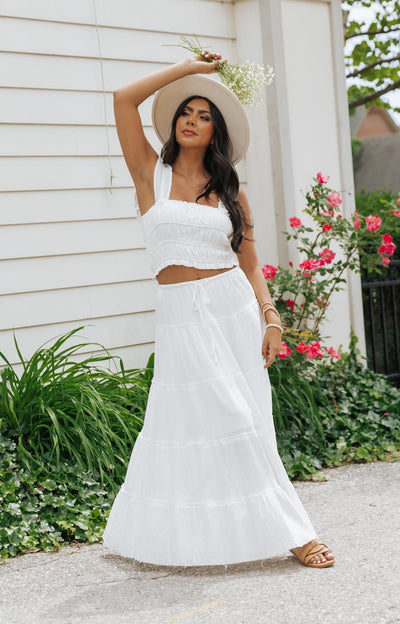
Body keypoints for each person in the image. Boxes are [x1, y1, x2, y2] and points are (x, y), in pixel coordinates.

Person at [102, 52, 334, 569]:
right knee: (188, 422)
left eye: (206, 115)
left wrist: (271, 318)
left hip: (232, 310)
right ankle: (189, 532)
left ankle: (294, 532)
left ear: (217, 132)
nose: (193, 120)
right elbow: (122, 99)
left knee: (244, 418)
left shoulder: (232, 193)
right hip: (180, 314)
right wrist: (188, 68)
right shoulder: (150, 174)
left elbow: (250, 265)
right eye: (187, 110)